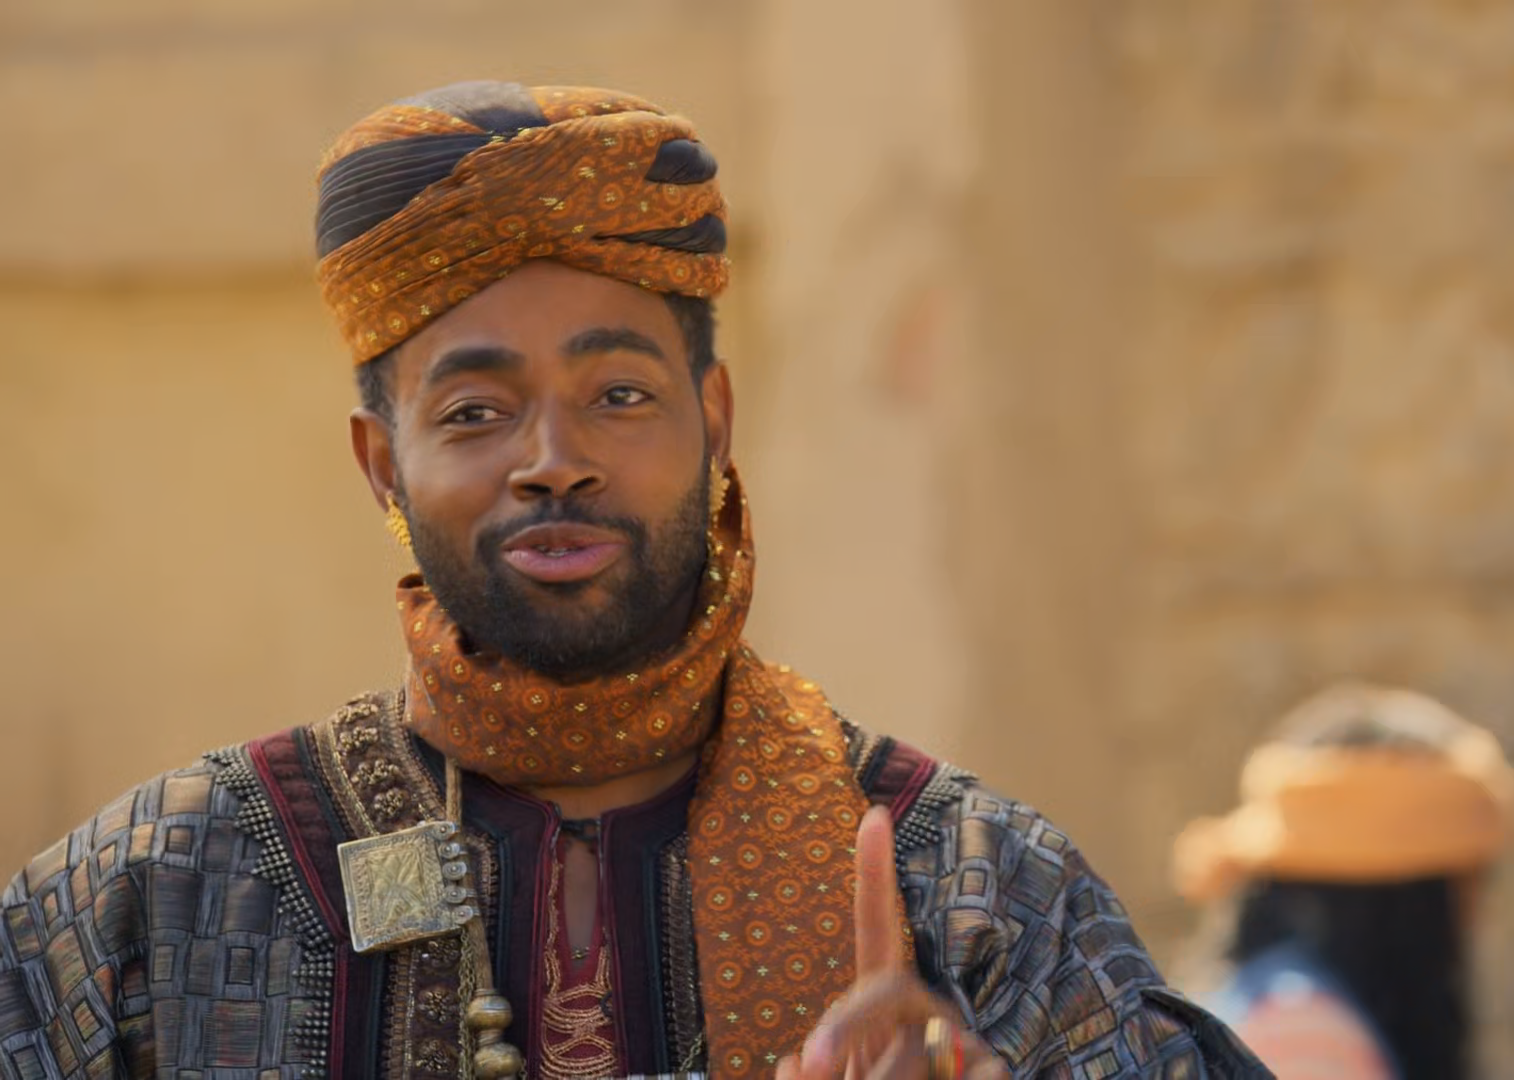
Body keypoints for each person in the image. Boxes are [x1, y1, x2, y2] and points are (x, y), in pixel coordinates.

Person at [0, 82, 1264, 1079]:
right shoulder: (159, 895)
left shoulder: (971, 895)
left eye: (618, 394)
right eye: (477, 411)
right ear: (382, 465)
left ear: (714, 421)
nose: (554, 460)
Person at [1172, 684, 1514, 1080]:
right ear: (1414, 899)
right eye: (1469, 880)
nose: (1479, 909)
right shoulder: (1304, 1041)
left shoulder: (1278, 1009)